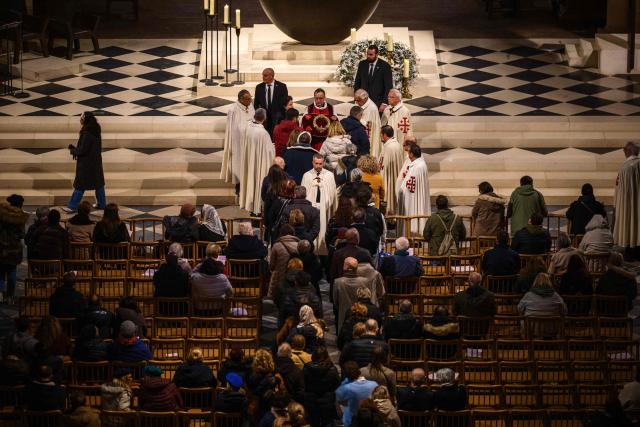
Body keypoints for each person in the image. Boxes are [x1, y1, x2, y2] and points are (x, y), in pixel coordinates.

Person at [64, 111, 106, 212]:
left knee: (80, 185)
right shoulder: (96, 128)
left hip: (86, 164)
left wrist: (73, 150)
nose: (80, 121)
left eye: (81, 119)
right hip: (95, 162)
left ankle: (72, 206)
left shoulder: (87, 132)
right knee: (98, 184)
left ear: (85, 120)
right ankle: (102, 204)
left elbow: (83, 150)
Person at [239, 108, 276, 215]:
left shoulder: (247, 127)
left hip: (250, 162)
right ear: (264, 119)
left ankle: (251, 206)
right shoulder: (263, 133)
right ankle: (257, 209)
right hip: (260, 163)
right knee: (258, 183)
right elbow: (269, 153)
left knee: (251, 181)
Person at [301, 153, 337, 255]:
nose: (318, 166)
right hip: (310, 208)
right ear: (312, 162)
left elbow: (332, 193)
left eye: (320, 164)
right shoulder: (306, 175)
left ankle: (322, 251)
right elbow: (303, 193)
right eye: (316, 163)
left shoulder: (329, 175)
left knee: (323, 229)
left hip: (324, 208)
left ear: (323, 163)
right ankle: (310, 250)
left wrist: (322, 188)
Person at [221, 89, 255, 190]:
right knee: (239, 166)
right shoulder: (233, 110)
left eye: (250, 98)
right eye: (248, 99)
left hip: (250, 141)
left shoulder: (250, 105)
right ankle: (239, 188)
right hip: (238, 144)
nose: (250, 100)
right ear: (241, 99)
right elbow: (233, 129)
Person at [613, 142, 640, 260]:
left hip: (626, 205)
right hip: (638, 203)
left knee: (629, 223)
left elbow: (617, 188)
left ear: (627, 152)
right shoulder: (637, 164)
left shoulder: (622, 168)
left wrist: (617, 205)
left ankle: (629, 247)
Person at [396, 143, 431, 234]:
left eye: (408, 152)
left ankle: (412, 234)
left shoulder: (416, 167)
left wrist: (400, 192)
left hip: (412, 200)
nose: (408, 154)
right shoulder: (421, 164)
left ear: (411, 154)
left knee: (412, 216)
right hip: (417, 196)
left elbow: (409, 186)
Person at [303, 346, 340, 427]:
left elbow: (304, 383)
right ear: (326, 356)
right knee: (328, 422)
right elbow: (337, 385)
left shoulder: (306, 368)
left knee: (313, 422)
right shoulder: (332, 370)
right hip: (328, 401)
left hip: (311, 400)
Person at [336, 361, 379, 427]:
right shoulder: (372, 384)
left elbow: (338, 407)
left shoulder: (343, 388)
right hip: (369, 420)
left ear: (345, 374)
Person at [333, 257, 370, 331]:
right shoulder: (365, 281)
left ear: (345, 268)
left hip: (343, 315)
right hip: (361, 315)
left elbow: (335, 302)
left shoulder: (338, 282)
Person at [254, 68, 288, 135]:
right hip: (264, 119)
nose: (263, 77)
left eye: (265, 75)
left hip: (277, 119)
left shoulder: (282, 87)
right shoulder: (259, 87)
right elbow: (256, 104)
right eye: (263, 75)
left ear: (272, 76)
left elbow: (284, 103)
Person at [379, 125, 404, 215]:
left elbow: (384, 167)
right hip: (393, 176)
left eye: (381, 134)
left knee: (389, 195)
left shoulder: (390, 147)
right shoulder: (395, 145)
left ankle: (390, 215)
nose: (380, 136)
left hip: (389, 177)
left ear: (385, 135)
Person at [269, 224, 300, 296]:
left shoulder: (277, 245)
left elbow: (271, 266)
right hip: (295, 279)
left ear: (281, 233)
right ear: (293, 233)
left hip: (279, 279)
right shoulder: (298, 245)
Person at [265, 178, 296, 244]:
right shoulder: (295, 203)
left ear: (283, 189)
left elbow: (270, 216)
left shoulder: (278, 201)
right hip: (292, 234)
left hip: (278, 233)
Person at [354, 89, 382, 159]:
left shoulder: (372, 108)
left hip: (369, 136)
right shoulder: (359, 103)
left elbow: (368, 125)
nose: (356, 102)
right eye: (355, 100)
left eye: (358, 100)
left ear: (365, 99)